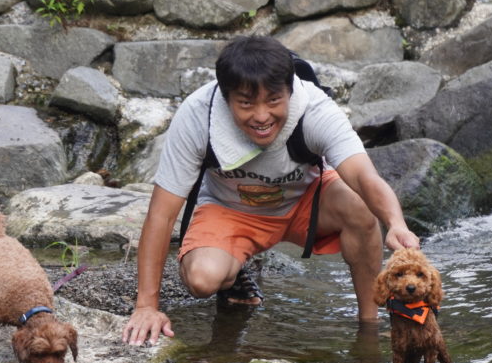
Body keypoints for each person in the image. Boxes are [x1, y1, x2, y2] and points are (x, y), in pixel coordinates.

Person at [121, 35, 419, 346]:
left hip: (305, 201)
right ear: (225, 98)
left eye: (274, 100)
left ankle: (369, 326)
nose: (262, 116)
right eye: (246, 103)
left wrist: (396, 223)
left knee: (360, 207)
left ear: (290, 91)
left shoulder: (315, 109)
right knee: (201, 279)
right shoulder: (197, 116)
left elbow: (362, 175)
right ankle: (233, 276)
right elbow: (161, 214)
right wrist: (146, 307)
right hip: (230, 209)